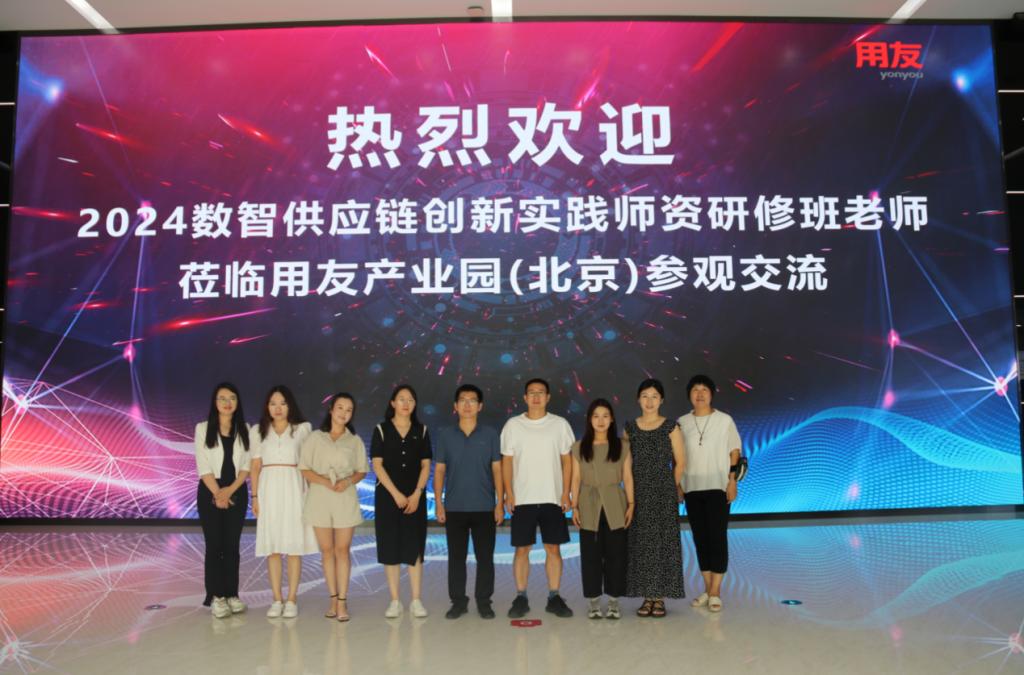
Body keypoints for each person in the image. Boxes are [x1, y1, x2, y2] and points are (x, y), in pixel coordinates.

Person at [501, 378, 575, 619]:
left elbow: (567, 461)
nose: (535, 397)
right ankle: (521, 597)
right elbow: (507, 461)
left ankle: (554, 597)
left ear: (548, 397)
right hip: (523, 498)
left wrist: (566, 492)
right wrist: (509, 493)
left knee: (553, 548)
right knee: (522, 549)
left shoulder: (560, 424)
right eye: (531, 393)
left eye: (540, 392)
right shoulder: (513, 425)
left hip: (552, 497)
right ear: (524, 398)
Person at [433, 384, 503, 620]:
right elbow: (439, 470)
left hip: (484, 507)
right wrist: (439, 503)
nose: (467, 404)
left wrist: (499, 503)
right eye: (462, 400)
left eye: (472, 400)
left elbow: (497, 469)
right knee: (456, 558)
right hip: (454, 507)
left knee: (485, 558)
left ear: (480, 406)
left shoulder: (490, 434)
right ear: (455, 406)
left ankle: (484, 602)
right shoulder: (446, 435)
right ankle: (458, 602)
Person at [299, 392, 368, 622]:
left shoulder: (354, 441)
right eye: (340, 408)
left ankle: (342, 601)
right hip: (320, 496)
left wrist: (347, 481)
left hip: (344, 496)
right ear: (331, 409)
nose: (344, 413)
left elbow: (362, 470)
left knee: (342, 550)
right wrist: (323, 481)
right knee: (327, 550)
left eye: (349, 410)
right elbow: (304, 468)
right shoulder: (315, 438)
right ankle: (332, 597)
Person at [250, 385, 318, 618]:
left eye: (282, 403)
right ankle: (276, 599)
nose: (278, 408)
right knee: (273, 548)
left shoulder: (302, 429)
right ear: (267, 407)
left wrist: (311, 494)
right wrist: (255, 496)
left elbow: (308, 463)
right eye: (273, 404)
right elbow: (255, 466)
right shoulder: (258, 431)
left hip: (294, 488)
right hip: (268, 489)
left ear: (290, 405)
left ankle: (292, 599)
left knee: (293, 547)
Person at [678, 374, 742, 613]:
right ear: (689, 395)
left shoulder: (724, 420)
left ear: (712, 394)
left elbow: (734, 452)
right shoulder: (682, 422)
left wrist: (732, 481)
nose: (700, 394)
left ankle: (716, 591)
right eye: (695, 389)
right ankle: (707, 589)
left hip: (718, 486)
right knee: (700, 539)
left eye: (704, 389)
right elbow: (677, 456)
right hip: (692, 487)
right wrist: (678, 485)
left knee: (717, 538)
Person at [623, 378, 685, 617]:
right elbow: (626, 467)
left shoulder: (671, 427)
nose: (649, 401)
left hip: (663, 492)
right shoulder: (629, 428)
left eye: (654, 397)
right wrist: (630, 496)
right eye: (645, 396)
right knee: (641, 543)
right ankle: (647, 596)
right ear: (638, 399)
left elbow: (681, 462)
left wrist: (670, 486)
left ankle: (659, 598)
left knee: (662, 543)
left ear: (662, 400)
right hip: (638, 492)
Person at [372, 384, 432, 619]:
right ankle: (395, 600)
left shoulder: (422, 431)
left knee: (414, 547)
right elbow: (377, 465)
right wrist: (396, 494)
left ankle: (416, 600)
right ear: (393, 403)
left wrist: (417, 493)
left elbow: (426, 465)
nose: (406, 403)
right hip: (388, 497)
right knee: (390, 547)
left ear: (415, 405)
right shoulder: (381, 430)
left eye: (410, 400)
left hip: (415, 498)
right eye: (401, 399)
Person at [570, 399, 634, 619]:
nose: (600, 420)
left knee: (617, 554)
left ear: (612, 419)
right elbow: (575, 478)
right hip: (588, 503)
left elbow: (627, 477)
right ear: (589, 419)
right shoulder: (579, 447)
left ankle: (614, 601)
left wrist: (631, 504)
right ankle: (594, 602)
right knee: (591, 555)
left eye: (605, 416)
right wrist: (574, 507)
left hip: (616, 502)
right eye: (596, 416)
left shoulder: (622, 446)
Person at [194, 382, 253, 618]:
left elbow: (246, 467)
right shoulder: (202, 428)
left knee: (232, 545)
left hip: (237, 490)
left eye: (232, 398)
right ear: (215, 402)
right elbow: (203, 466)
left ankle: (231, 594)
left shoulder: (245, 429)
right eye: (222, 398)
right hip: (210, 490)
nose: (227, 403)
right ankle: (216, 596)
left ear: (238, 402)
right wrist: (218, 492)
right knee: (214, 545)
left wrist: (229, 492)